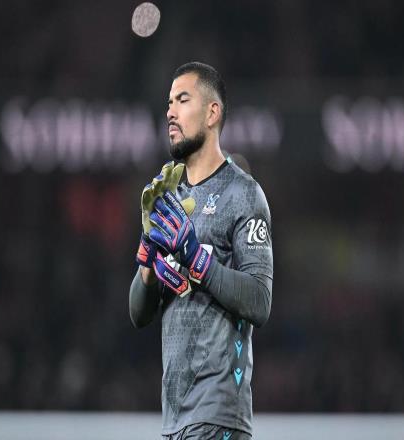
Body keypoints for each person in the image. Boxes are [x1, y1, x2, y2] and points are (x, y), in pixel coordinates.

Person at [129, 61, 273, 440]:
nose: (170, 112)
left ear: (212, 113)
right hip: (175, 419)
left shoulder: (243, 194)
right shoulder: (170, 198)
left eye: (182, 100)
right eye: (168, 103)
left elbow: (260, 301)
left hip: (218, 415)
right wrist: (147, 259)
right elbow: (138, 314)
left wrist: (196, 258)